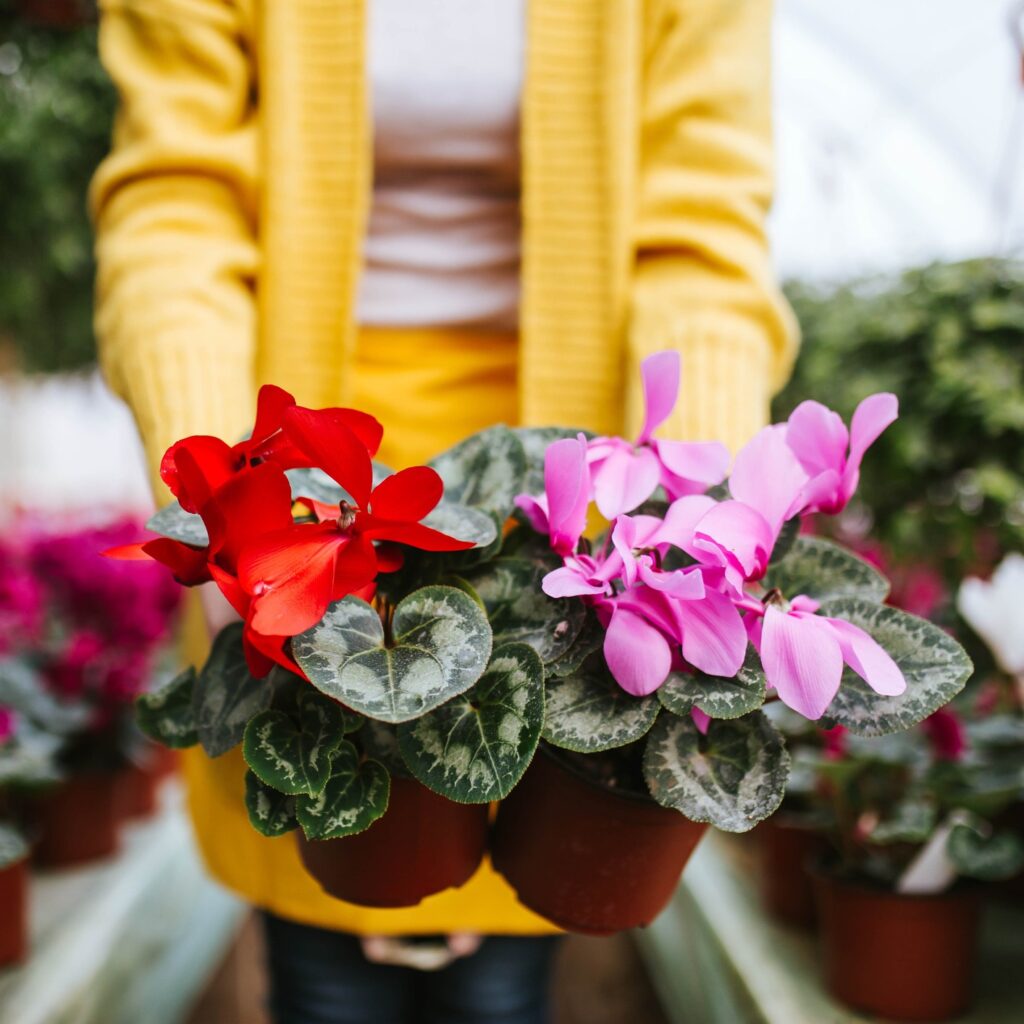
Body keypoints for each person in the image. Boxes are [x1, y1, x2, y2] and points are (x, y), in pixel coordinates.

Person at [91, 1, 797, 1021]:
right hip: (291, 451)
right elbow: (175, 205)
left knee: (507, 964)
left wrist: (694, 521)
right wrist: (224, 495)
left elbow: (700, 227)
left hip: (571, 479)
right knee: (325, 959)